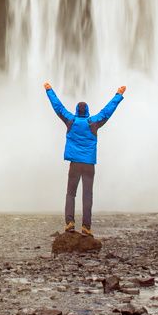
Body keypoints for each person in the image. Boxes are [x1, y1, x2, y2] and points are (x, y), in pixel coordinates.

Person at [44, 81, 126, 236]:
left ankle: (69, 223)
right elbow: (107, 111)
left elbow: (58, 107)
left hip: (74, 163)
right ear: (87, 111)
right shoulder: (93, 123)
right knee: (87, 195)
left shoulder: (70, 121)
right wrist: (119, 95)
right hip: (88, 164)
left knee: (71, 193)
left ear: (76, 111)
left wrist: (49, 90)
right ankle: (86, 227)